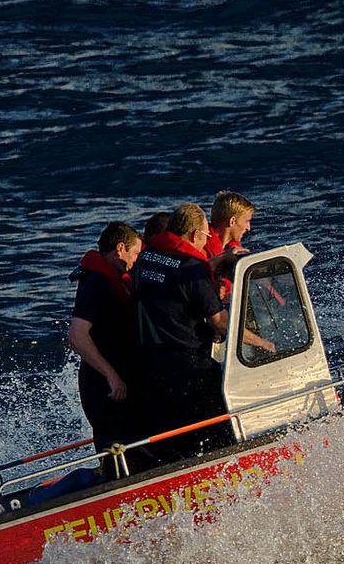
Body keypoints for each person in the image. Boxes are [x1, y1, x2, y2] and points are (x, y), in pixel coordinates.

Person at [130, 204, 230, 462]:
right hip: (190, 366)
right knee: (217, 429)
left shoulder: (146, 258)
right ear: (196, 235)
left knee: (172, 437)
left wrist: (213, 263)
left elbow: (173, 287)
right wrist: (258, 339)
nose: (207, 242)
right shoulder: (191, 268)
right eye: (207, 237)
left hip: (151, 365)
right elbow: (219, 322)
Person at [67, 221, 143, 477]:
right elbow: (77, 335)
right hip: (104, 387)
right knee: (116, 450)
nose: (135, 261)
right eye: (135, 254)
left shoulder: (111, 279)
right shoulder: (96, 282)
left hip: (114, 382)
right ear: (120, 249)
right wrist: (111, 374)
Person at [204, 191, 254, 258]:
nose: (248, 228)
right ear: (232, 221)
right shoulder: (201, 248)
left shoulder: (234, 249)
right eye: (246, 221)